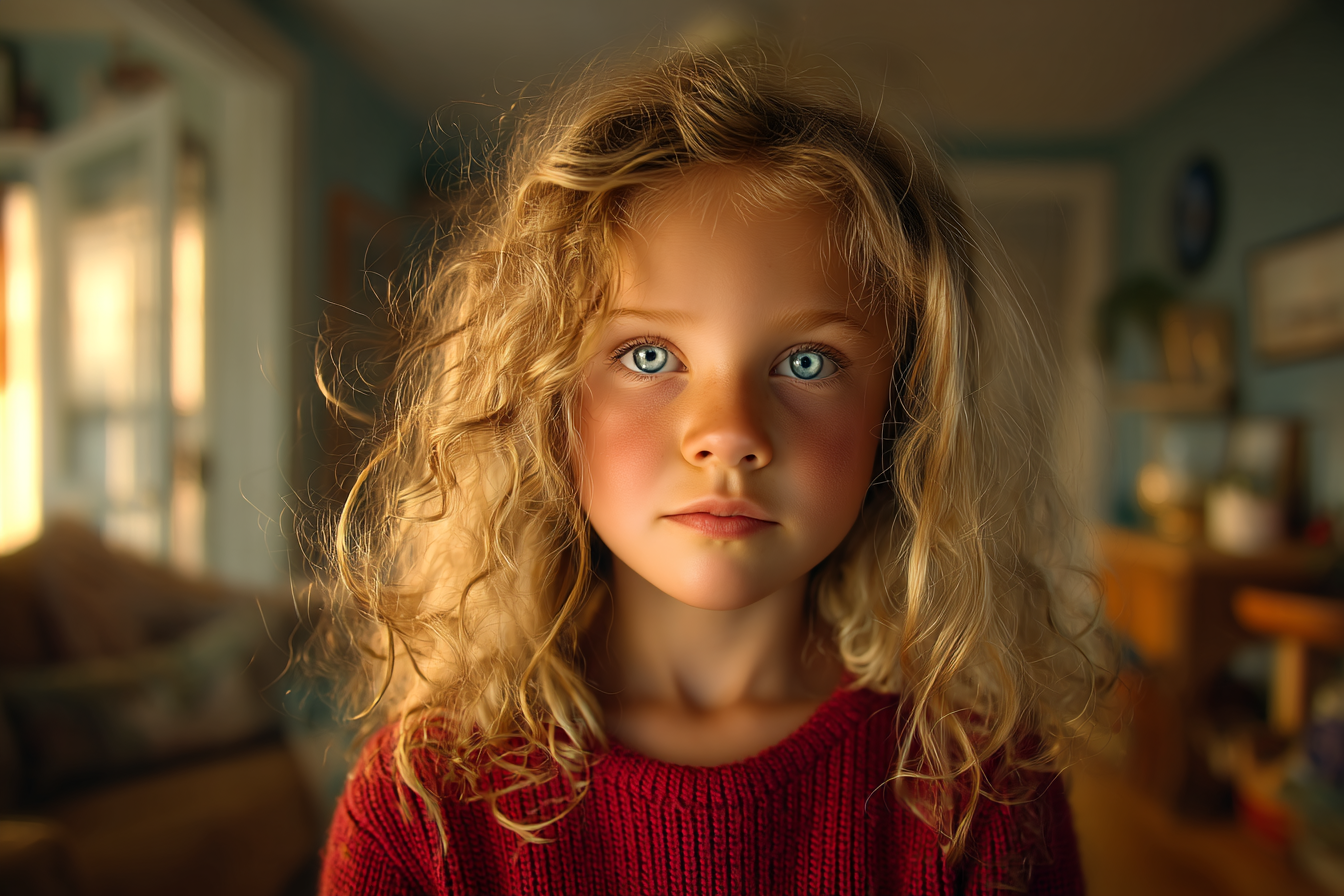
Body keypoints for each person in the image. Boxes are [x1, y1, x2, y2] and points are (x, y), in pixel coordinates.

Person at [315, 43, 1110, 896]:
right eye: (649, 354)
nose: (728, 435)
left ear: (902, 410)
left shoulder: (985, 783)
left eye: (807, 362)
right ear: (541, 398)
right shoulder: (425, 798)